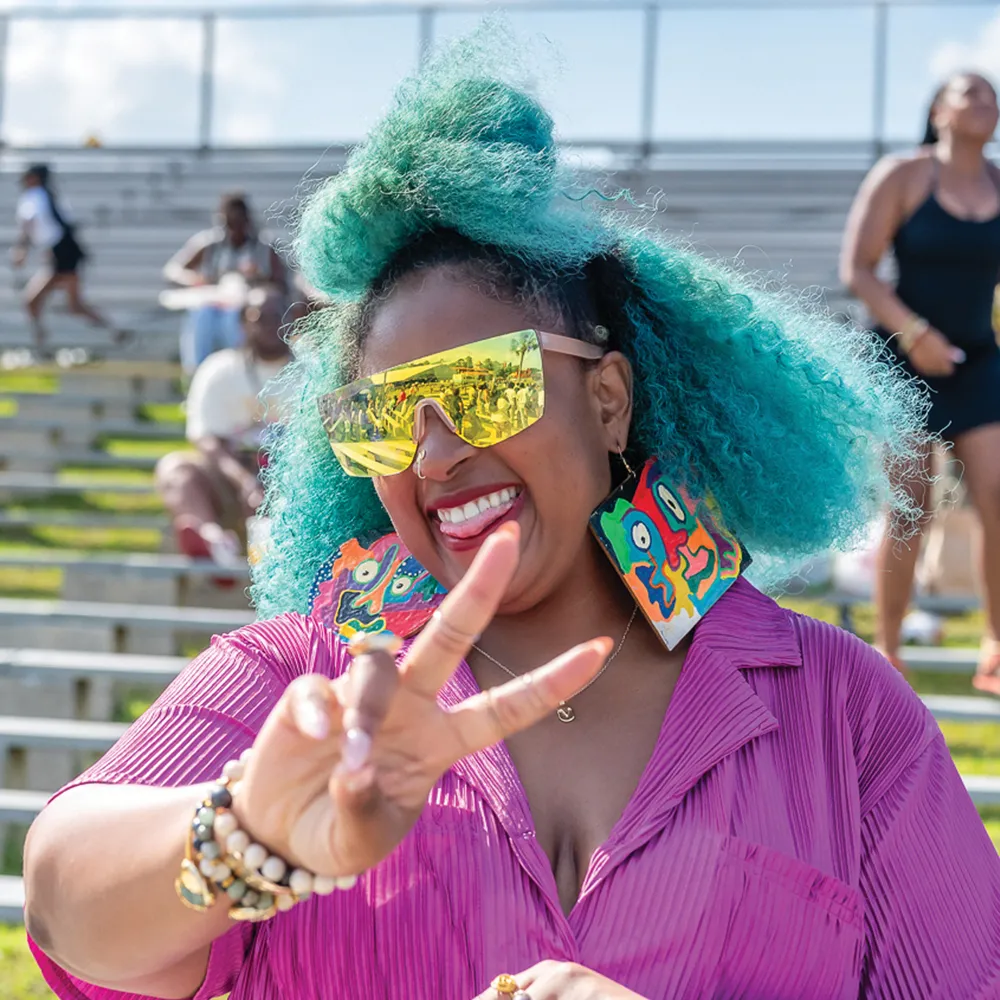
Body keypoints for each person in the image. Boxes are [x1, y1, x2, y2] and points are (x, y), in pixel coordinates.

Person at [24, 36, 1000, 1000]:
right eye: (385, 419)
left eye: (487, 389)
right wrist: (245, 833)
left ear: (608, 399)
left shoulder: (843, 711)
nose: (436, 452)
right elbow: (65, 904)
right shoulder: (304, 686)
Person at [841, 71, 1000, 690]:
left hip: (977, 361)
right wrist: (915, 333)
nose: (986, 102)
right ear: (938, 111)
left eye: (992, 95)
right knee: (911, 500)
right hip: (903, 355)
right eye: (971, 93)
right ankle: (887, 651)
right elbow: (858, 268)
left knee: (998, 492)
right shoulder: (903, 176)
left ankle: (996, 644)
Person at [154, 286, 293, 567]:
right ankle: (214, 541)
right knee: (175, 469)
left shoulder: (313, 369)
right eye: (260, 317)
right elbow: (207, 440)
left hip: (292, 481)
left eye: (278, 315)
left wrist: (273, 481)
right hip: (229, 478)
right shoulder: (218, 369)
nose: (270, 324)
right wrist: (243, 480)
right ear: (243, 322)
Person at [10, 164, 125, 359]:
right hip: (67, 252)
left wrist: (21, 250)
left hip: (60, 254)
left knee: (32, 301)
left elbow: (29, 224)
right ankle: (112, 330)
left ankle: (41, 345)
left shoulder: (33, 197)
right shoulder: (51, 196)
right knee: (73, 305)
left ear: (34, 178)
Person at [164, 192, 287, 373]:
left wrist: (258, 279)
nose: (233, 231)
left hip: (247, 309)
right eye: (229, 224)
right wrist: (198, 280)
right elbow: (172, 271)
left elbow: (281, 282)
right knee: (201, 316)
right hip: (214, 304)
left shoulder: (263, 247)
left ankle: (241, 370)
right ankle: (196, 373)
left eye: (238, 223)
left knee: (236, 320)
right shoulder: (209, 244)